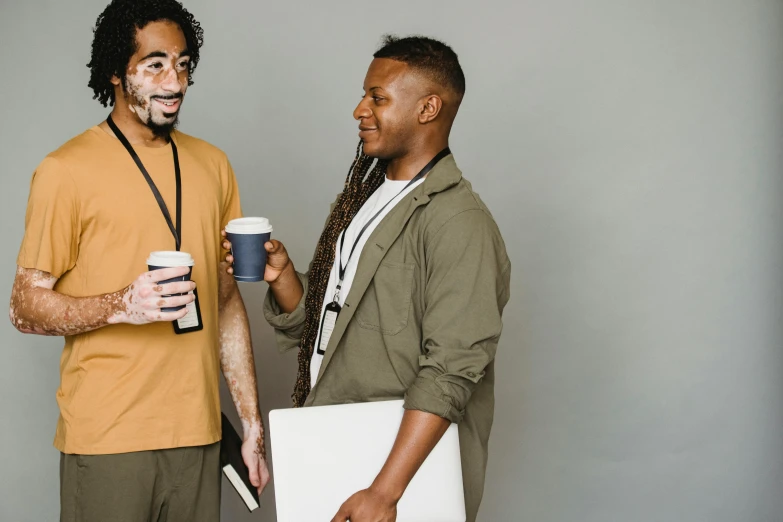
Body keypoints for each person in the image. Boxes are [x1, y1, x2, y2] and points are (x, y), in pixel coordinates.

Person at [224, 34, 510, 522]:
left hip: (399, 474)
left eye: (377, 97)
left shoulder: (459, 222)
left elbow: (451, 371)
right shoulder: (365, 197)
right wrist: (284, 279)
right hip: (336, 445)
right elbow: (329, 324)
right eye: (364, 95)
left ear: (428, 108)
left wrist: (385, 493)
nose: (360, 110)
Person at [9, 1, 268, 520]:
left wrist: (251, 422)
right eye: (154, 64)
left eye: (184, 63)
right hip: (108, 436)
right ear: (115, 73)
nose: (174, 80)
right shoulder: (65, 170)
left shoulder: (213, 164)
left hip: (199, 434)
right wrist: (121, 304)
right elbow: (24, 306)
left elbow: (225, 300)